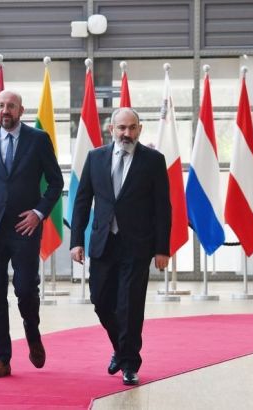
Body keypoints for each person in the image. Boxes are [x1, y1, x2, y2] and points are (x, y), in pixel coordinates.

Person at [69, 107, 171, 386]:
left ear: (140, 129)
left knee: (130, 306)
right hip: (103, 242)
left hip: (137, 246)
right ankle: (120, 349)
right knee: (101, 301)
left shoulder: (153, 160)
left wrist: (163, 248)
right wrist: (76, 240)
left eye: (132, 127)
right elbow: (82, 201)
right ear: (111, 129)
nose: (127, 133)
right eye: (121, 128)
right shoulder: (95, 158)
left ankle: (129, 363)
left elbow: (163, 207)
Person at [0, 90, 63, 378]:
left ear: (21, 110)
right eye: (1, 106)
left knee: (24, 289)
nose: (5, 110)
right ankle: (1, 358)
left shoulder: (38, 140)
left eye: (11, 105)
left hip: (25, 228)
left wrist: (38, 213)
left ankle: (32, 334)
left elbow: (56, 182)